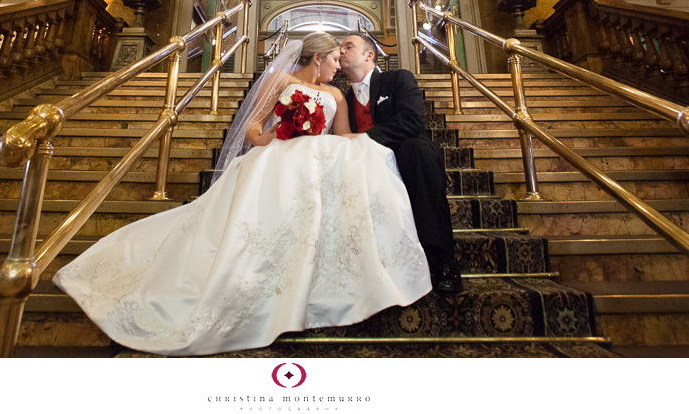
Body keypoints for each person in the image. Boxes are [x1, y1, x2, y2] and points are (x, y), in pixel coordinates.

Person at [53, 32, 431, 356]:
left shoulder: (336, 92)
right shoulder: (282, 80)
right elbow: (253, 125)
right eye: (333, 58)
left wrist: (360, 146)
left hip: (319, 152)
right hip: (281, 152)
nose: (338, 65)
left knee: (351, 161)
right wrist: (269, 137)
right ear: (317, 58)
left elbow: (344, 136)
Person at [338, 33, 462, 293]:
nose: (341, 51)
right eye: (340, 47)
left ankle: (441, 259)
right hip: (364, 164)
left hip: (406, 156)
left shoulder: (398, 79)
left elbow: (410, 122)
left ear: (369, 55)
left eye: (348, 46)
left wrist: (362, 137)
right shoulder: (341, 99)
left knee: (417, 149)